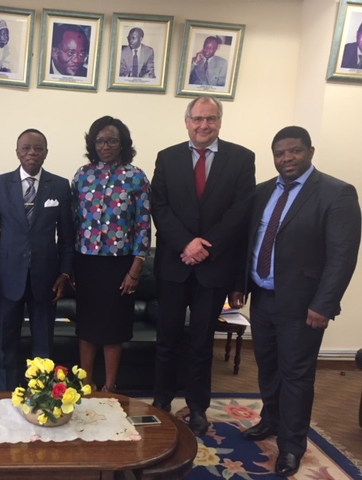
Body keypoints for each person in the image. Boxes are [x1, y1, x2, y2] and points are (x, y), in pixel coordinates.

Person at [233, 126, 361, 476]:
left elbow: (342, 256)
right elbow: (251, 243)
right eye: (280, 153)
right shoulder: (262, 193)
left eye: (295, 151)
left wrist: (324, 304)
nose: (287, 158)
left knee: (297, 376)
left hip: (304, 306)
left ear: (310, 152)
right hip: (263, 297)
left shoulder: (336, 193)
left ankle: (291, 447)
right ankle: (270, 420)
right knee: (269, 367)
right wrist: (240, 285)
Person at [150, 96, 255, 436]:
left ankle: (198, 408)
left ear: (220, 122)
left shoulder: (241, 159)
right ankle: (162, 402)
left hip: (214, 267)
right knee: (167, 339)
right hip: (174, 265)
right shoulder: (167, 158)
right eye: (197, 119)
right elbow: (159, 207)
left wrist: (205, 246)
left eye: (210, 119)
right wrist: (186, 243)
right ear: (187, 122)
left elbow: (240, 212)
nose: (203, 125)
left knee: (201, 342)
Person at [0, 128, 74, 391]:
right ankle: (4, 394)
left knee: (43, 344)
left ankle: (40, 396)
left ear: (46, 152)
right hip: (7, 277)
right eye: (26, 148)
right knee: (5, 341)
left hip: (46, 278)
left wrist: (64, 274)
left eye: (38, 148)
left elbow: (67, 238)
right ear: (17, 151)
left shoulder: (60, 185)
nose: (32, 153)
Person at [72, 116, 151, 392]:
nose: (106, 146)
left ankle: (109, 387)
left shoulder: (136, 176)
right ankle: (85, 384)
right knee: (87, 327)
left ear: (123, 144)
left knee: (113, 329)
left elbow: (143, 224)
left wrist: (135, 269)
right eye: (100, 140)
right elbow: (73, 223)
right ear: (93, 143)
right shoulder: (82, 175)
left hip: (120, 266)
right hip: (86, 263)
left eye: (112, 140)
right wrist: (69, 267)